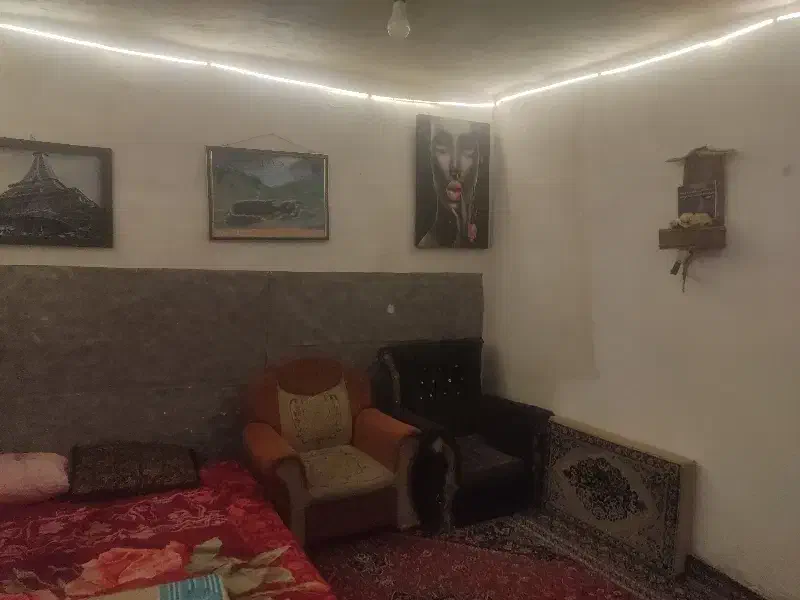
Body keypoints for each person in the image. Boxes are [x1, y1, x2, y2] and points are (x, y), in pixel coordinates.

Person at [417, 119, 483, 248]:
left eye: (467, 152)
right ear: (430, 158)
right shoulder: (426, 244)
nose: (454, 166)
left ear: (479, 160)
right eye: (442, 150)